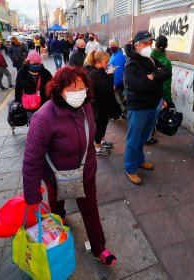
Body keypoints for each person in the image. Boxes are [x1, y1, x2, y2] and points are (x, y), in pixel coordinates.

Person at [22, 66, 117, 266]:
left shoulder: (86, 105)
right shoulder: (43, 117)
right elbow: (32, 159)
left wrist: (91, 165)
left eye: (81, 86)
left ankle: (99, 249)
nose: (78, 92)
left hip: (85, 173)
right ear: (59, 89)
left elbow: (89, 140)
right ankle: (60, 221)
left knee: (91, 210)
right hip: (56, 177)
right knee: (56, 207)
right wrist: (32, 196)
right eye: (71, 88)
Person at [123, 30, 171, 185]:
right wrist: (155, 79)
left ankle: (139, 159)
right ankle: (130, 168)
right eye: (145, 43)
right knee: (134, 139)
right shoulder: (131, 64)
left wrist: (154, 76)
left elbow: (167, 72)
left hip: (152, 105)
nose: (149, 46)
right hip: (138, 108)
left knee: (144, 137)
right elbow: (143, 86)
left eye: (150, 43)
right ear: (136, 45)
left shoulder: (150, 58)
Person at [85, 50, 121, 156]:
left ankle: (101, 141)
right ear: (98, 63)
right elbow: (106, 87)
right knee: (100, 125)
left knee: (103, 123)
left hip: (102, 104)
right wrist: (110, 74)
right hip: (98, 105)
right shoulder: (94, 73)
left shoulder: (97, 71)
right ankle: (97, 147)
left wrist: (108, 73)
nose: (108, 64)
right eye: (106, 62)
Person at [146, 35, 174, 144]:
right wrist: (168, 99)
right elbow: (166, 84)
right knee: (153, 118)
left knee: (147, 116)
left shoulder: (148, 57)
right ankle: (147, 138)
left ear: (154, 44)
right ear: (166, 46)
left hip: (146, 92)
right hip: (158, 95)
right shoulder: (166, 62)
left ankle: (145, 136)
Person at [15, 51, 52, 124]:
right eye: (33, 63)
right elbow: (18, 88)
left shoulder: (45, 72)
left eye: (37, 63)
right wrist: (18, 100)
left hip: (43, 103)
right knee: (32, 123)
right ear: (28, 62)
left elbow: (52, 85)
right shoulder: (21, 72)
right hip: (29, 104)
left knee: (44, 122)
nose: (35, 65)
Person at [108, 38, 126, 121]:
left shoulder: (119, 56)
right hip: (113, 79)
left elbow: (118, 71)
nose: (111, 47)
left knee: (117, 99)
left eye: (113, 45)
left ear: (118, 46)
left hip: (117, 81)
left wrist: (115, 84)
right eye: (110, 45)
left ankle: (118, 114)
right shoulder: (113, 54)